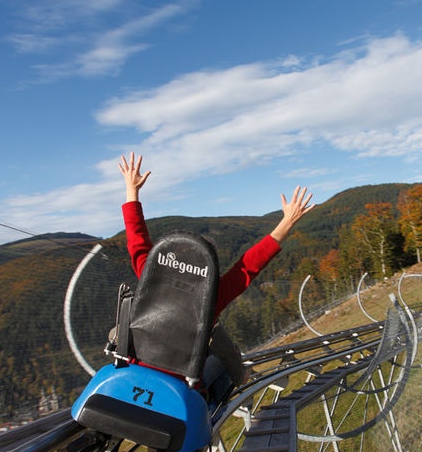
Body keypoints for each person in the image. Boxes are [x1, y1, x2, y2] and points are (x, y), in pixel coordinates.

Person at [118, 152, 315, 404]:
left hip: (138, 371)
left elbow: (137, 240)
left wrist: (131, 191)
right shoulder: (212, 295)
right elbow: (248, 266)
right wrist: (287, 222)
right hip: (180, 387)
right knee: (225, 366)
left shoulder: (150, 277)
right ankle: (218, 410)